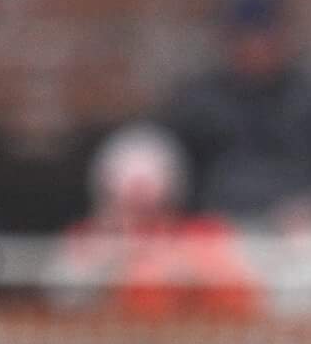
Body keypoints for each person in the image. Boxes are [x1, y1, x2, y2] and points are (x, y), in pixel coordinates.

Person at [161, 0, 311, 234]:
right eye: (243, 38)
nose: (254, 48)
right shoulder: (198, 101)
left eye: (264, 37)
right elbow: (179, 172)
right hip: (219, 228)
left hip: (302, 230)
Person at [51, 124, 261, 319]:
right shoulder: (88, 238)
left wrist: (186, 269)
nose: (139, 200)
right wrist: (108, 260)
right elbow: (61, 301)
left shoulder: (203, 233)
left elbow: (244, 296)